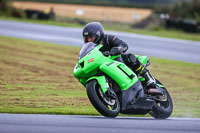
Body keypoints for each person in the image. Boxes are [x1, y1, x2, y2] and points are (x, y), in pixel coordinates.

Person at [82, 22, 160, 95]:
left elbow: (124, 45)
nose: (89, 40)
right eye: (87, 38)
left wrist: (117, 49)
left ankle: (149, 78)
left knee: (128, 56)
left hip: (119, 62)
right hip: (105, 66)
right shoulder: (91, 48)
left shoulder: (109, 38)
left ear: (99, 34)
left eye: (91, 37)